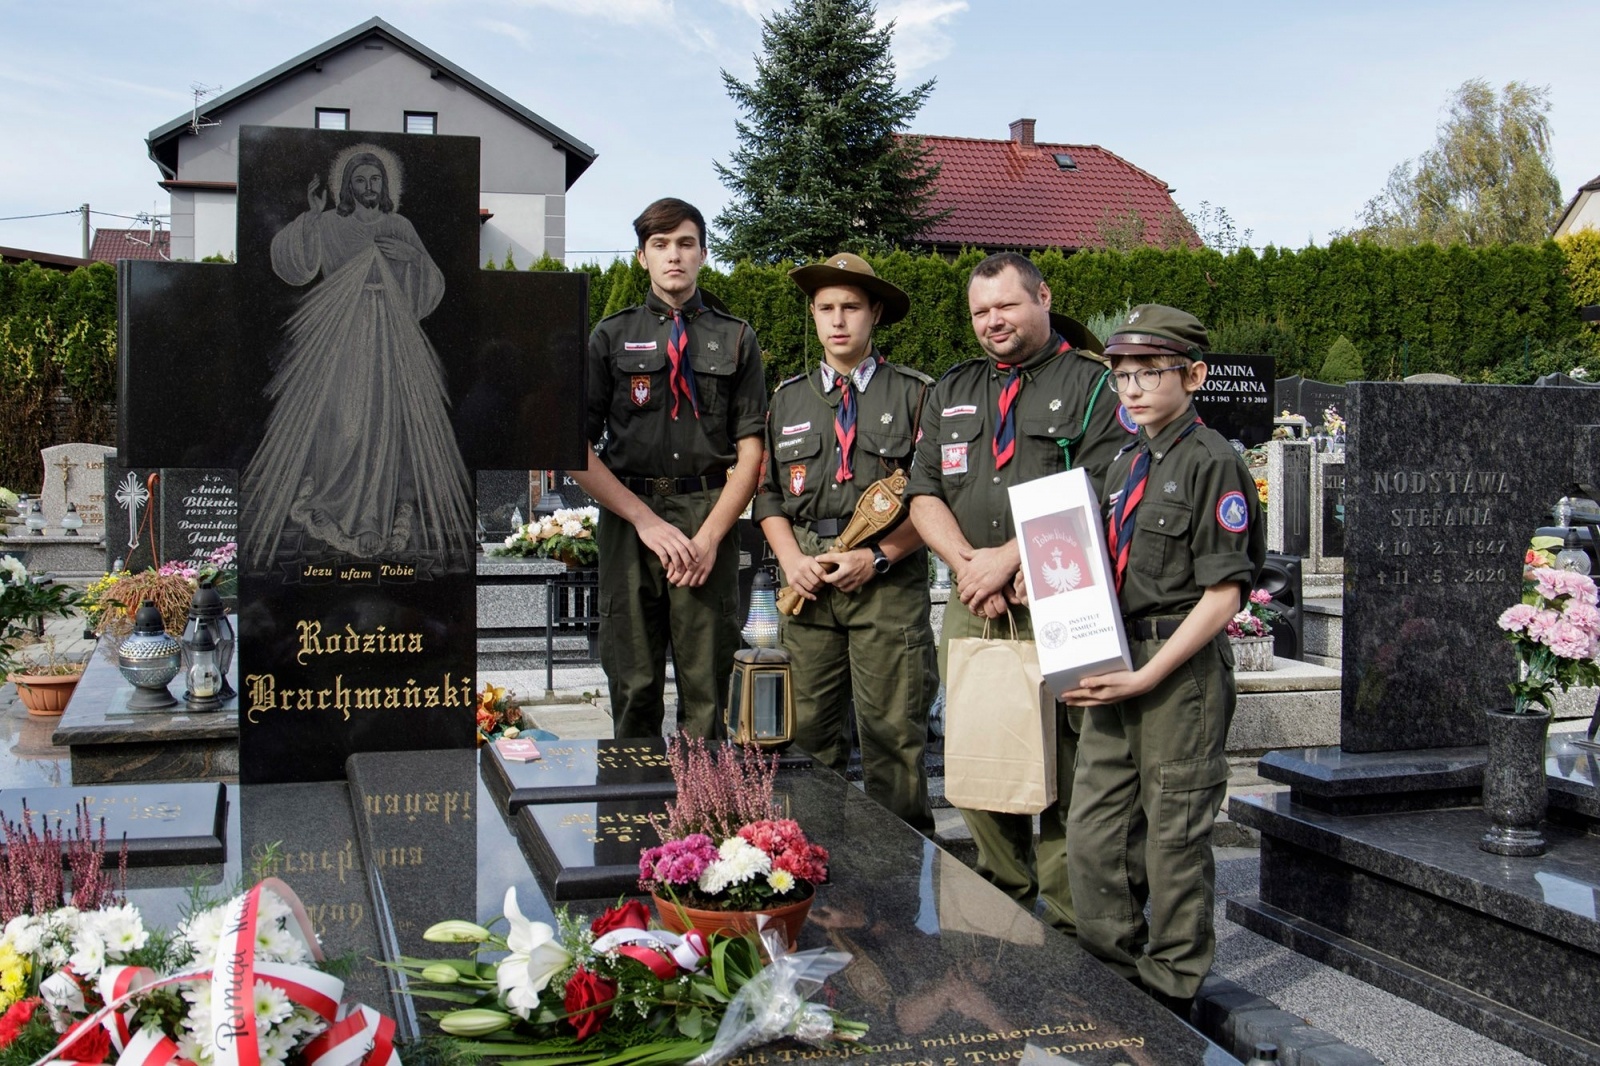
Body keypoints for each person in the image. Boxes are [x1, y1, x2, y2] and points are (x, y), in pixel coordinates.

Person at [906, 252, 1132, 931]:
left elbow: (1106, 483)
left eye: (1006, 305)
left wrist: (1008, 558)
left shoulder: (1094, 383)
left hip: (1058, 593)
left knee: (1069, 762)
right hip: (975, 598)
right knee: (978, 748)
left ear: (1043, 297)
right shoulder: (952, 389)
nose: (992, 321)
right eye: (980, 312)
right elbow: (923, 492)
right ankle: (1000, 898)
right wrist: (969, 566)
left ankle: (1065, 917)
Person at [1061, 304, 1265, 1016]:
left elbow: (1225, 594)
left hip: (1177, 673)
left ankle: (1172, 991)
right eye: (1122, 375)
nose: (1134, 388)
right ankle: (1115, 979)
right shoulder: (1126, 462)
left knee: (1173, 838)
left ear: (1194, 375)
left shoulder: (1212, 461)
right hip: (1115, 658)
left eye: (1151, 372)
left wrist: (1148, 673)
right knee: (1093, 834)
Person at [570, 198, 767, 740]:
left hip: (708, 515)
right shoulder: (609, 337)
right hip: (629, 519)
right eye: (660, 245)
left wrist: (708, 539)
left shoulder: (736, 337)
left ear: (703, 253)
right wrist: (644, 520)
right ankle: (633, 795)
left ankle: (705, 797)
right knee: (633, 686)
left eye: (685, 243)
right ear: (642, 257)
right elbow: (572, 448)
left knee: (709, 693)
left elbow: (752, 452)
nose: (673, 256)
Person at [754, 253, 938, 830]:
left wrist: (880, 555)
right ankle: (813, 863)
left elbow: (937, 497)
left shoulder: (915, 395)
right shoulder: (788, 398)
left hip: (887, 587)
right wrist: (791, 561)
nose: (838, 320)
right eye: (826, 308)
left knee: (893, 737)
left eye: (851, 307)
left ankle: (898, 868)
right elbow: (768, 496)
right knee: (807, 737)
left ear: (874, 313)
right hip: (809, 590)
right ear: (812, 314)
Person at [243, 145, 475, 575]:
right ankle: (330, 500)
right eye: (360, 180)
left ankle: (372, 517)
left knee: (381, 421)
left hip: (388, 336)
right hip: (341, 334)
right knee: (342, 420)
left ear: (384, 185)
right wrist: (311, 216)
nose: (368, 187)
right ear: (347, 186)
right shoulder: (331, 223)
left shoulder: (399, 225)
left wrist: (411, 259)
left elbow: (431, 284)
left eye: (375, 180)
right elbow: (294, 267)